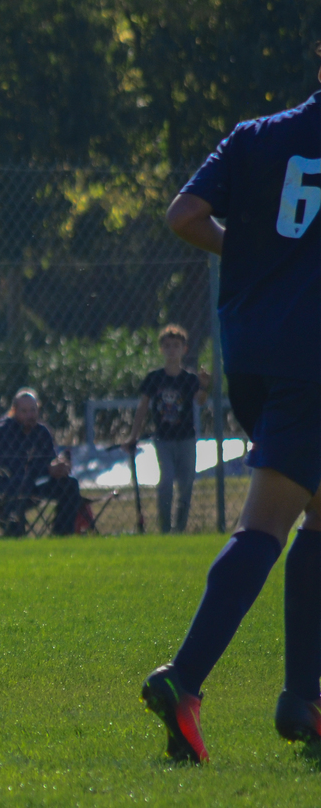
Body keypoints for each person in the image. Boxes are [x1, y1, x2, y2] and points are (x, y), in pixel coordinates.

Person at [140, 51, 320, 764]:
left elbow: (184, 215)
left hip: (250, 352)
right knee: (268, 522)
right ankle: (184, 679)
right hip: (314, 356)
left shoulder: (254, 135)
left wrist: (242, 252)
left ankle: (303, 698)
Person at [124, 325, 209, 534]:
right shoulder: (154, 378)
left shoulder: (189, 379)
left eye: (176, 346)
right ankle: (165, 528)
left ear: (184, 349)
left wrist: (204, 385)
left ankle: (179, 529)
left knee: (186, 483)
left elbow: (200, 401)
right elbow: (143, 406)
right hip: (163, 439)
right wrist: (133, 435)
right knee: (166, 480)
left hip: (186, 438)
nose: (172, 350)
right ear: (162, 349)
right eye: (168, 346)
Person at [0, 389, 82, 536]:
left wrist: (59, 466)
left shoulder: (42, 432)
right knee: (20, 481)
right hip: (4, 487)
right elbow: (12, 468)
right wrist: (47, 469)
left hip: (35, 484)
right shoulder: (3, 432)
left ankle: (62, 533)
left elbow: (49, 460)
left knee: (70, 484)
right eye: (24, 411)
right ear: (14, 411)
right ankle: (15, 530)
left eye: (33, 410)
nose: (30, 415)